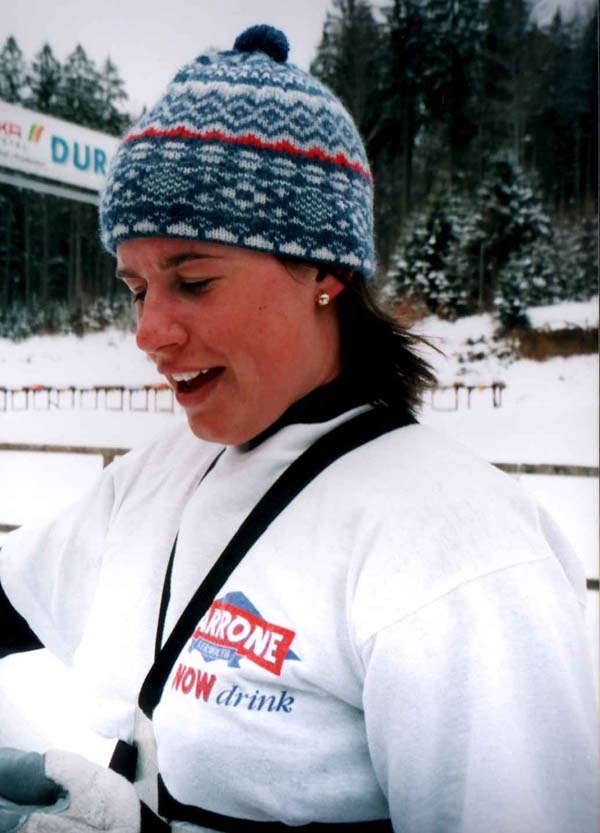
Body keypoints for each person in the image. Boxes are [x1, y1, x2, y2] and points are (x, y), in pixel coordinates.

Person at [0, 24, 597, 833]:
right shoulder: (162, 473)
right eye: (136, 288)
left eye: (193, 279)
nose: (148, 332)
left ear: (325, 272)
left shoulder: (458, 549)